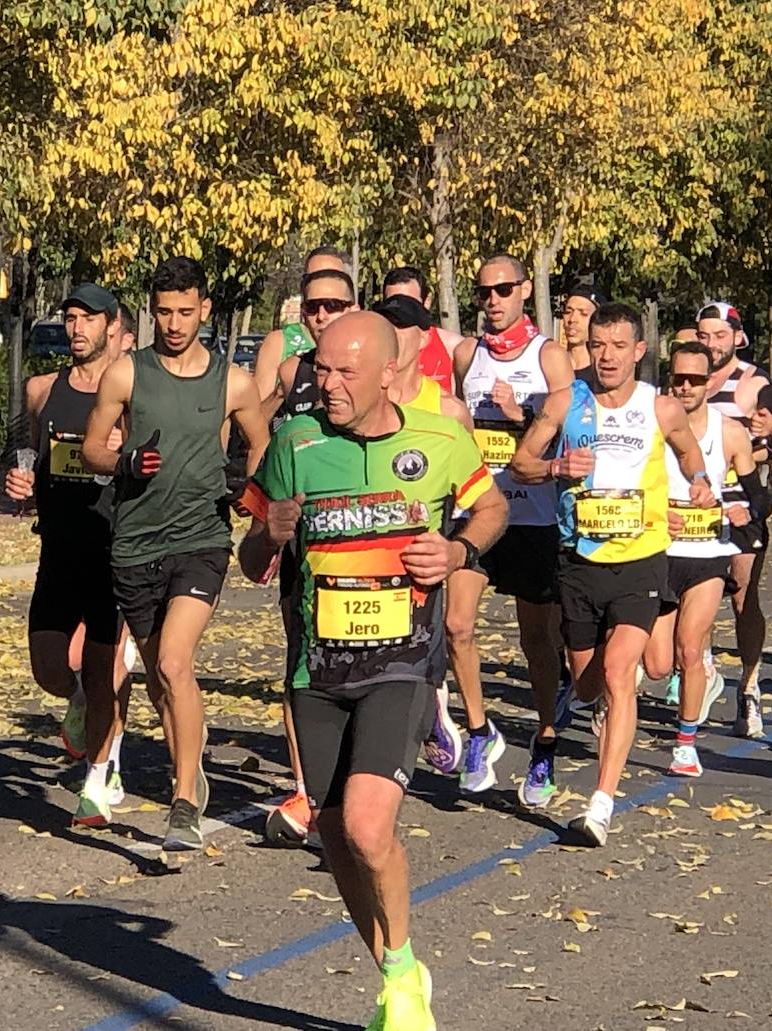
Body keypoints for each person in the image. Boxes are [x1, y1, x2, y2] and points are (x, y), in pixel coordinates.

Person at [239, 312, 506, 1031]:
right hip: (317, 668)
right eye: (320, 369)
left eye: (344, 372)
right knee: (333, 832)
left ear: (390, 372)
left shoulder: (441, 438)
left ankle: (402, 978)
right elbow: (252, 559)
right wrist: (269, 534)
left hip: (403, 663)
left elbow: (492, 507)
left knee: (364, 826)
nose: (326, 384)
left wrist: (456, 553)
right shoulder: (296, 443)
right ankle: (397, 970)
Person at [82, 256, 269, 850]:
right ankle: (191, 763)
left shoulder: (232, 382)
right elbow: (90, 449)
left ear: (205, 310)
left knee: (171, 664)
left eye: (186, 312)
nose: (174, 323)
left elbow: (261, 441)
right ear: (151, 311)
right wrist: (125, 462)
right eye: (163, 312)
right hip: (135, 543)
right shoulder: (125, 374)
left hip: (201, 541)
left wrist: (249, 492)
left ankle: (183, 800)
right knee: (166, 683)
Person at [511, 302, 711, 846]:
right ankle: (591, 702)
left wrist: (697, 481)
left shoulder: (660, 406)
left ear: (639, 351)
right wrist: (555, 467)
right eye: (599, 345)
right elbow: (519, 464)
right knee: (591, 682)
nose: (607, 357)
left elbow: (690, 453)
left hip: (641, 557)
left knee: (622, 674)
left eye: (619, 347)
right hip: (579, 560)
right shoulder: (564, 401)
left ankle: (601, 803)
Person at [446, 254, 574, 806]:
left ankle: (545, 742)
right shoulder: (466, 354)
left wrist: (520, 412)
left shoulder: (549, 357)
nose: (492, 301)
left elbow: (566, 436)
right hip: (478, 511)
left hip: (534, 515)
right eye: (483, 293)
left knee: (538, 643)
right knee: (456, 626)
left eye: (502, 290)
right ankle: (479, 733)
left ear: (524, 290)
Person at [4, 283, 132, 827]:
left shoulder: (132, 388)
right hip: (57, 548)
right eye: (70, 317)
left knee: (103, 668)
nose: (77, 328)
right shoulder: (41, 389)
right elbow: (26, 452)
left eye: (88, 319)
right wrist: (21, 482)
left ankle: (97, 783)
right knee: (51, 670)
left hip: (112, 547)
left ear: (112, 326)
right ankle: (78, 701)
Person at [260, 266, 359, 846]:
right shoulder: (290, 366)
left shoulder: (380, 360)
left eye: (334, 304)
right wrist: (266, 525)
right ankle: (310, 789)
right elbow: (259, 431)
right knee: (302, 661)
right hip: (304, 545)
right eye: (313, 306)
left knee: (363, 668)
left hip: (369, 550)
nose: (322, 315)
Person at [642, 343, 759, 777]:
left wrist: (739, 508)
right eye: (679, 379)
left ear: (710, 382)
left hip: (709, 553)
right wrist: (658, 514)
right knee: (657, 664)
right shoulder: (653, 425)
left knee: (690, 648)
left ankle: (685, 744)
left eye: (695, 379)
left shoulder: (728, 432)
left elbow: (756, 495)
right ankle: (705, 678)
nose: (686, 387)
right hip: (659, 552)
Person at [698, 301, 772, 738]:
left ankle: (749, 687)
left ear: (737, 338)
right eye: (704, 335)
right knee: (695, 596)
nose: (711, 344)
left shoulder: (753, 384)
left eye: (719, 336)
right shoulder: (685, 379)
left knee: (743, 598)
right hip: (694, 509)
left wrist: (747, 452)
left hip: (741, 506)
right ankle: (700, 672)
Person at [252, 246, 351, 406]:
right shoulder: (280, 342)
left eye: (332, 276)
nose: (321, 283)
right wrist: (285, 390)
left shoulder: (362, 344)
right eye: (312, 277)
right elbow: (254, 419)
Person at [381, 266, 463, 393]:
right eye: (394, 303)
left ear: (427, 303)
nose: (402, 311)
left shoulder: (453, 347)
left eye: (411, 304)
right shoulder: (376, 347)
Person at [559, 285, 601, 374]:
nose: (572, 319)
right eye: (568, 312)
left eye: (583, 313)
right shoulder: (550, 366)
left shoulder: (603, 372)